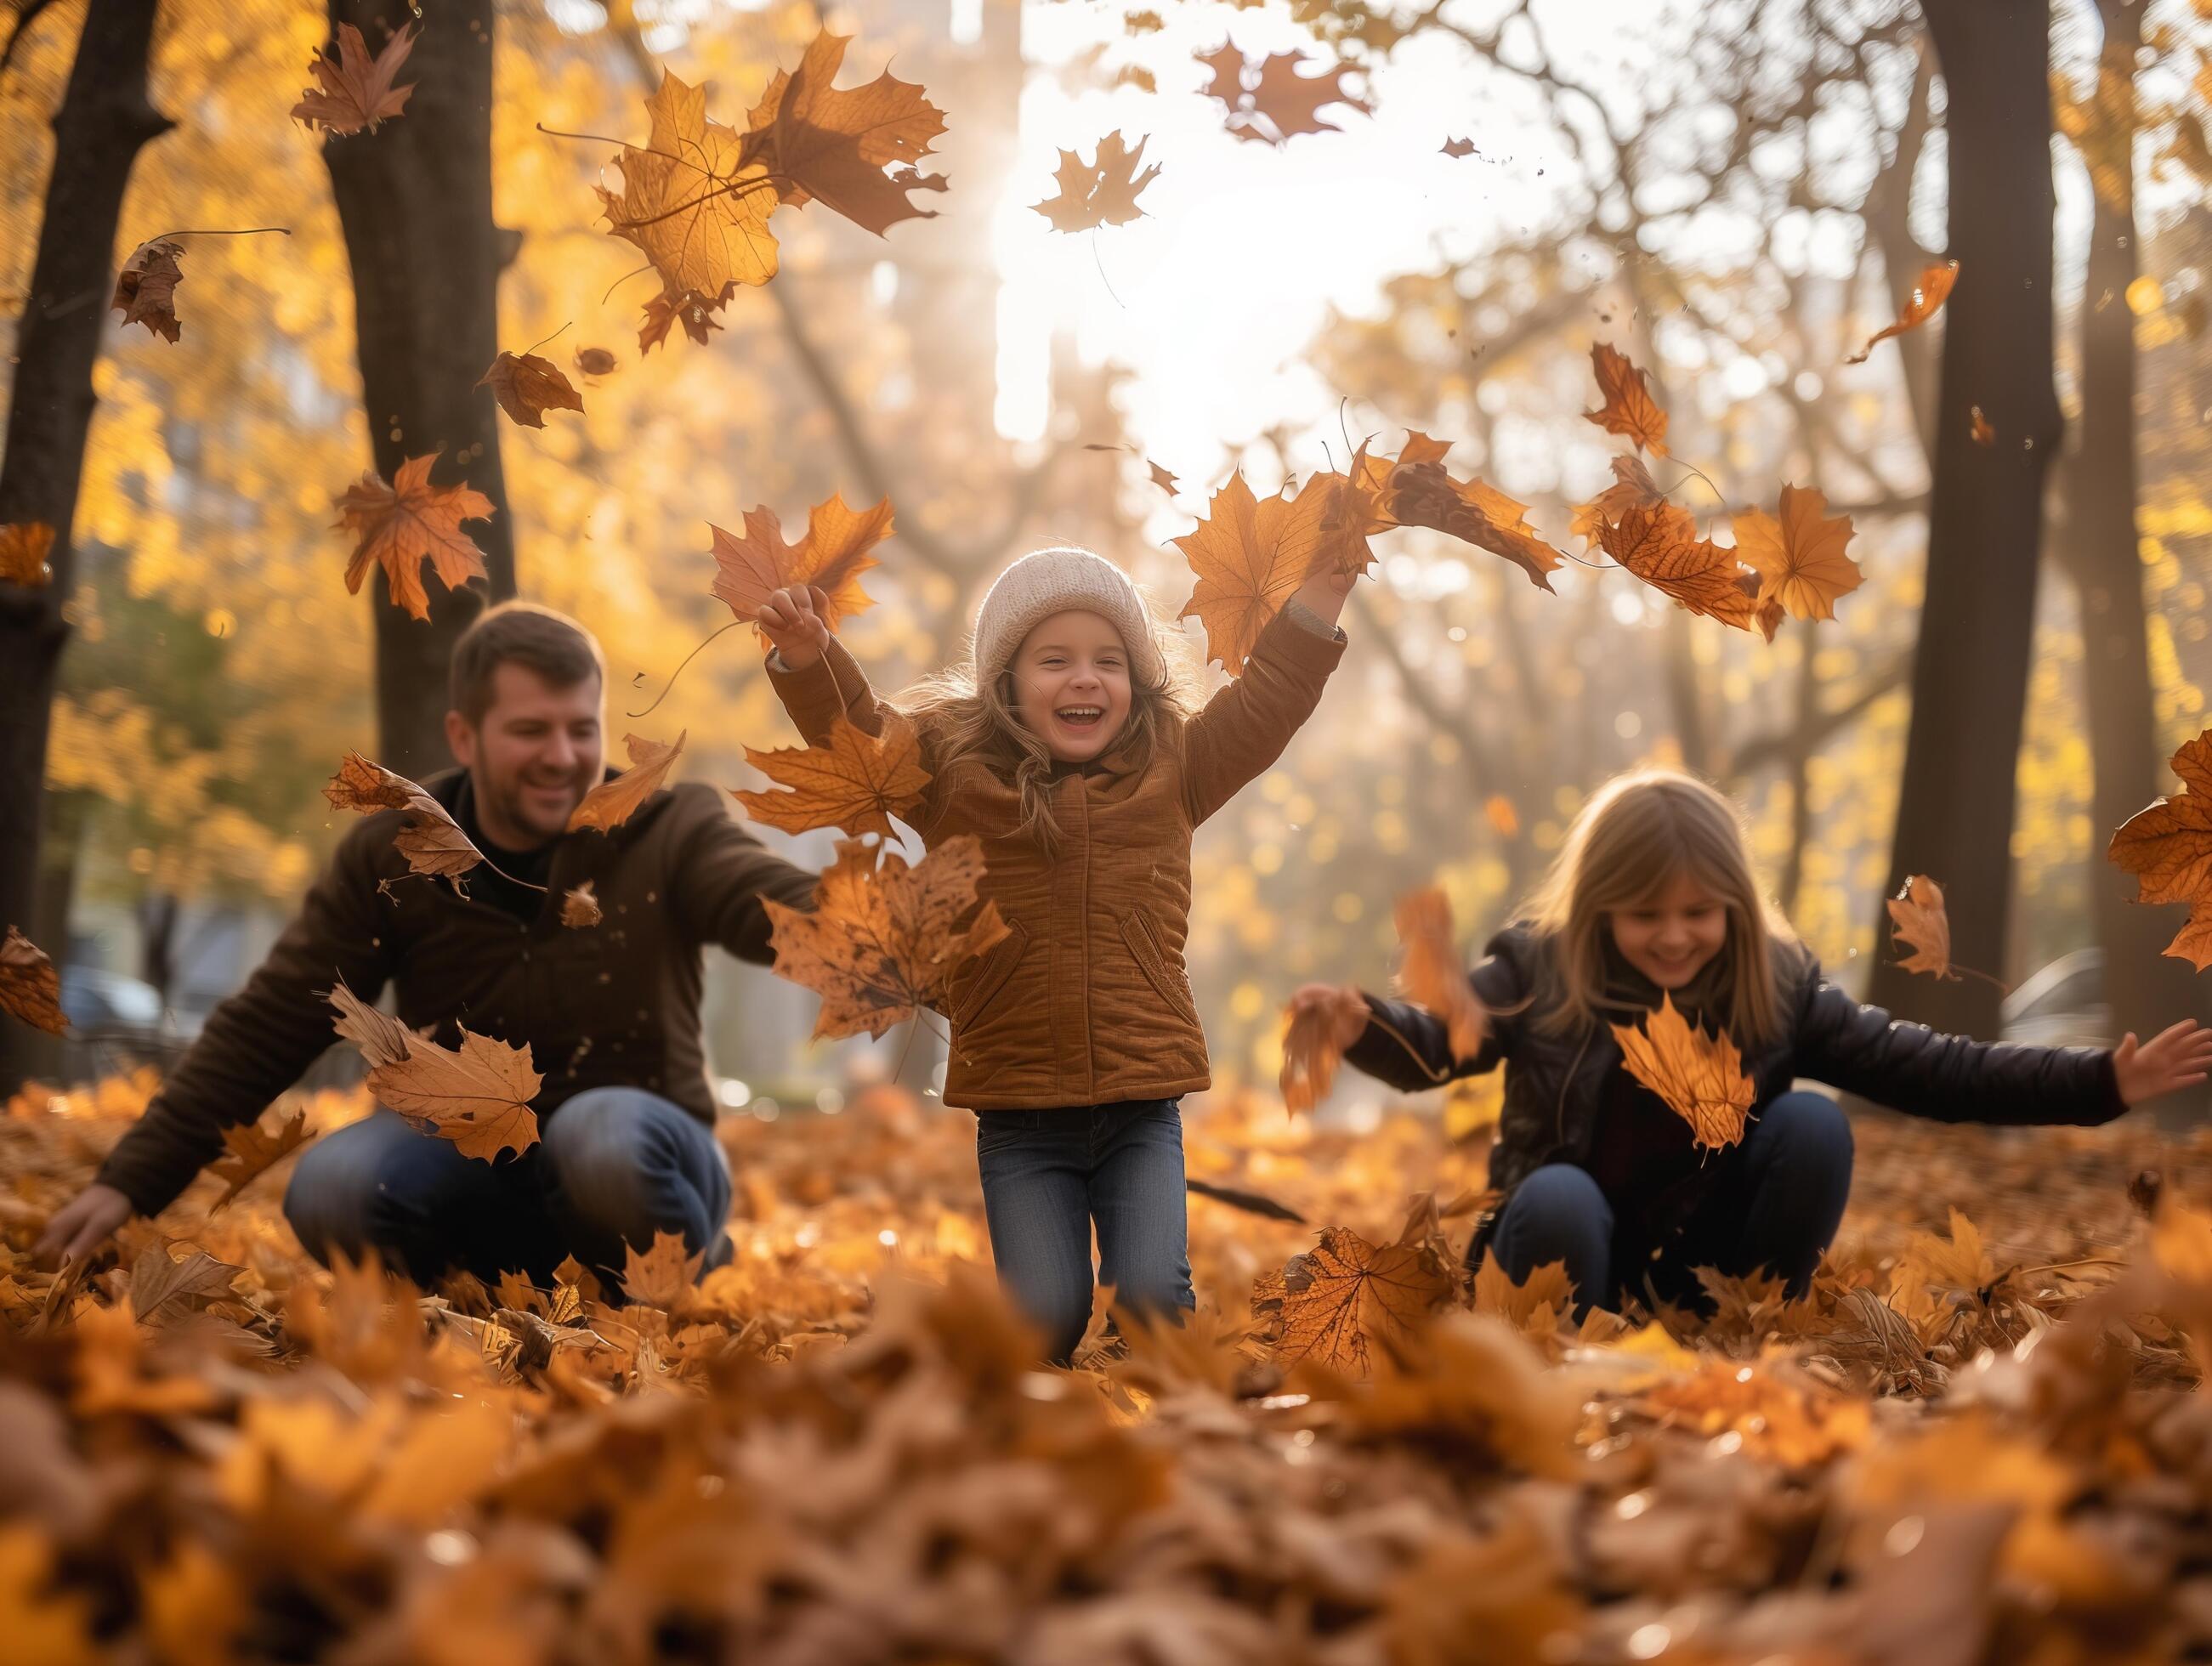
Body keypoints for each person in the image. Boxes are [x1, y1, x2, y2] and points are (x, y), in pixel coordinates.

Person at [37, 601, 818, 1291]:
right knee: (335, 1185)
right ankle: (491, 1303)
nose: (562, 755)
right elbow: (274, 1019)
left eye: (581, 729)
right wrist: (130, 1183)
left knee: (600, 1136)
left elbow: (776, 907)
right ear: (464, 736)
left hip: (641, 1161)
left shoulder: (667, 827)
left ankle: (679, 1284)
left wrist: (898, 931)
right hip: (468, 1160)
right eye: (529, 730)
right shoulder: (395, 855)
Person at [1287, 768, 2212, 1317]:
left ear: (1734, 906)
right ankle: (1562, 1340)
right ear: (1595, 905)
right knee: (1560, 1193)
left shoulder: (1775, 987)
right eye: (1643, 914)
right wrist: (1363, 1023)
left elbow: (1932, 1069)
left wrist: (2101, 1080)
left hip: (1703, 1264)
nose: (1675, 935)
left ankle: (1740, 1317)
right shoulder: (1542, 967)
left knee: (1813, 1127)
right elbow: (1444, 1043)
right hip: (1564, 1254)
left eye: (1699, 912)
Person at [757, 547, 1352, 1362]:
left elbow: (1267, 702)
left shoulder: (1176, 766)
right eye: (1055, 660)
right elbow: (860, 735)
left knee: (1151, 1306)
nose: (1085, 679)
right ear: (1006, 681)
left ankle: (1166, 1408)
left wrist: (1319, 600)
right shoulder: (954, 775)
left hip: (1141, 1104)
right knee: (1043, 1322)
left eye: (1109, 661)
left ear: (1136, 680)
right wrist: (808, 658)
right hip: (1020, 1115)